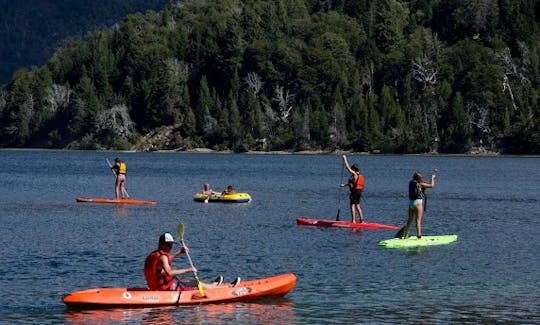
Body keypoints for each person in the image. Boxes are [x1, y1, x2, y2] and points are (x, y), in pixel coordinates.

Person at [144, 232, 241, 291]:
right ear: (161, 244)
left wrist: (179, 253)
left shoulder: (154, 254)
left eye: (171, 245)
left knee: (187, 282)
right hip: (165, 289)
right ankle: (227, 287)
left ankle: (213, 285)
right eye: (168, 245)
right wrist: (188, 270)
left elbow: (164, 262)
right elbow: (169, 272)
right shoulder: (162, 257)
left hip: (156, 287)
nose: (170, 247)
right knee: (196, 283)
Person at [400, 171, 436, 239]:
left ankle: (405, 236)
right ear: (419, 178)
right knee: (418, 220)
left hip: (411, 203)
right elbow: (431, 185)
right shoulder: (420, 184)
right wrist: (432, 178)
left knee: (409, 220)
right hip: (418, 203)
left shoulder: (411, 183)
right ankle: (419, 236)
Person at [340, 155, 365, 223]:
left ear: (354, 169)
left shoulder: (355, 174)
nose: (351, 171)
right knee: (358, 206)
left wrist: (345, 159)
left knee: (352, 206)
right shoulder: (360, 175)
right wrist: (344, 185)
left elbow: (347, 168)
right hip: (359, 192)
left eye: (352, 169)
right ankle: (361, 221)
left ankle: (353, 221)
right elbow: (354, 184)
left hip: (354, 193)